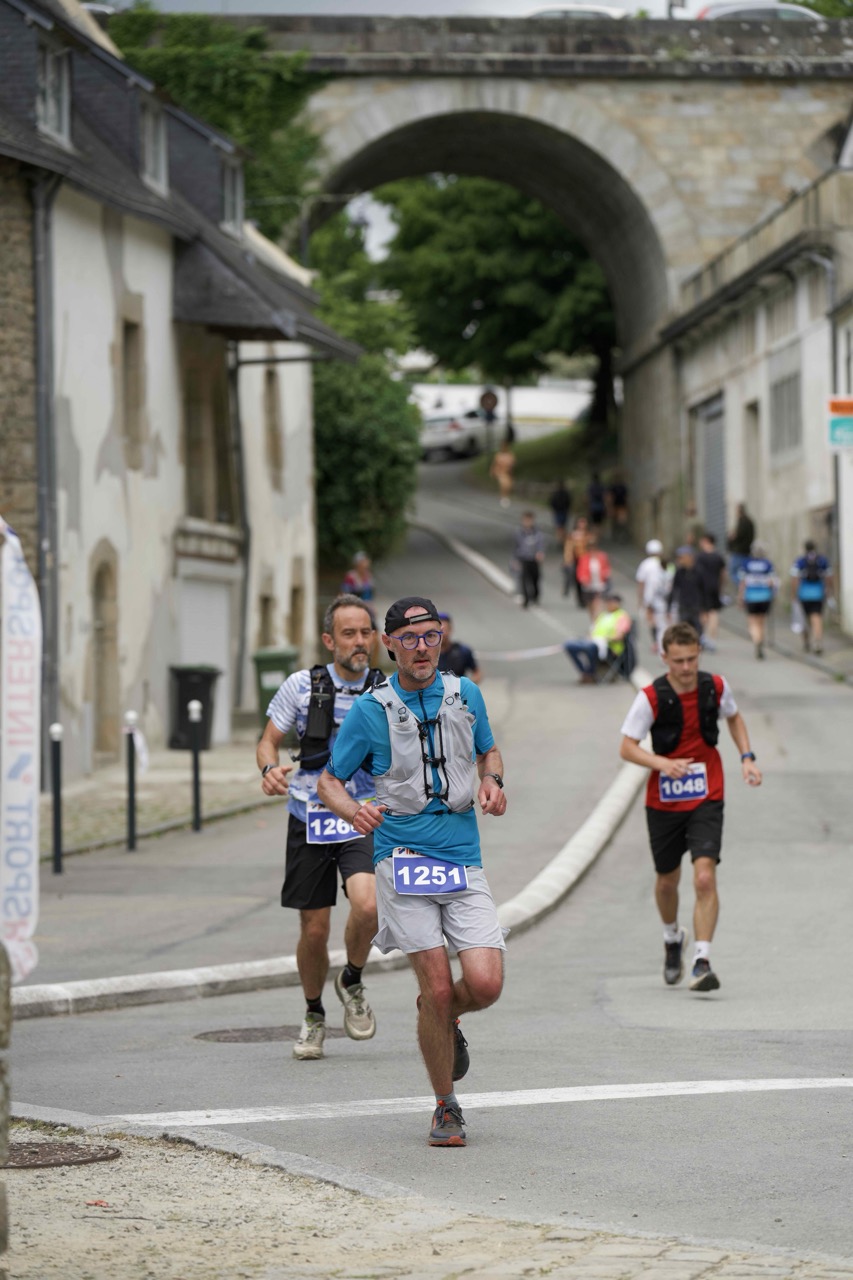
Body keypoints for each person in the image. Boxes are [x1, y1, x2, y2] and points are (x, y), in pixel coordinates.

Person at [317, 597, 508, 1149]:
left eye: (431, 637)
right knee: (439, 984)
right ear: (390, 644)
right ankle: (446, 1104)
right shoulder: (370, 711)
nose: (422, 648)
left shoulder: (465, 694)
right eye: (409, 638)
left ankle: (438, 1014)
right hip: (401, 861)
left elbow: (490, 752)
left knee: (485, 984)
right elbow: (329, 781)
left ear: (441, 639)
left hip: (462, 858)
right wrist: (354, 812)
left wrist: (493, 782)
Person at [257, 595, 383, 1062]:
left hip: (362, 814)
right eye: (349, 634)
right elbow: (268, 741)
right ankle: (313, 1014)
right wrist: (268, 769)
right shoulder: (301, 686)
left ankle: (351, 978)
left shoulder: (385, 689)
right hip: (308, 815)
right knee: (314, 930)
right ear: (330, 640)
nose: (359, 642)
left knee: (368, 906)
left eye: (366, 632)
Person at [619, 621, 762, 993]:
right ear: (664, 657)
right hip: (664, 800)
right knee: (667, 881)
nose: (686, 668)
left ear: (699, 654)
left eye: (692, 659)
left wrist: (747, 757)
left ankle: (702, 960)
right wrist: (662, 764)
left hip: (707, 793)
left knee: (704, 877)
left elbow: (734, 717)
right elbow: (627, 747)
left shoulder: (715, 687)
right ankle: (672, 939)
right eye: (678, 661)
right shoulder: (651, 697)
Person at [564, 591, 632, 684]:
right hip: (594, 642)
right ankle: (586, 672)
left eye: (612, 602)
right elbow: (593, 630)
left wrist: (604, 639)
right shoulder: (603, 615)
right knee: (570, 645)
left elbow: (619, 636)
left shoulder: (622, 616)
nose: (609, 604)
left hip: (610, 647)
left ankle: (590, 673)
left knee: (590, 648)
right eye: (608, 602)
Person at [790, 540, 834, 655]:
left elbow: (794, 579)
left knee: (804, 619)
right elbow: (829, 577)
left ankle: (806, 642)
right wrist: (829, 592)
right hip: (818, 594)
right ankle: (818, 641)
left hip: (803, 594)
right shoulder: (822, 560)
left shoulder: (800, 561)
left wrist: (794, 595)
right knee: (816, 617)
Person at [738, 541, 778, 660]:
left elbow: (742, 582)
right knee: (761, 622)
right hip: (765, 597)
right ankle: (760, 641)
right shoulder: (768, 564)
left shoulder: (746, 564)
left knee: (752, 622)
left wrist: (740, 597)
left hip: (751, 597)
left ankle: (757, 641)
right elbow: (772, 582)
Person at [635, 539, 669, 652]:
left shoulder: (645, 564)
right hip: (665, 597)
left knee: (652, 620)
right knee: (662, 620)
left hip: (650, 597)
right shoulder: (666, 563)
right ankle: (661, 641)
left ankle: (657, 641)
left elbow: (641, 582)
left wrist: (640, 599)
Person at [668, 545, 707, 638]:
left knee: (697, 632)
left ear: (690, 557)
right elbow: (674, 590)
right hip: (683, 606)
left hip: (696, 607)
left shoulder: (699, 571)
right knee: (683, 632)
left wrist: (705, 610)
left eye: (681, 557)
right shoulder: (679, 572)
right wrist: (669, 607)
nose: (679, 560)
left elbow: (705, 591)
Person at [695, 532, 726, 649]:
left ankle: (702, 636)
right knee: (714, 613)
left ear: (705, 541)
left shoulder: (700, 556)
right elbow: (723, 574)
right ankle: (712, 639)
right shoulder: (718, 556)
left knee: (703, 612)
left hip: (702, 588)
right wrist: (721, 586)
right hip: (715, 587)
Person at [512, 510, 546, 609]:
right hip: (523, 558)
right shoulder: (519, 533)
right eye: (526, 520)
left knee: (535, 578)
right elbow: (515, 547)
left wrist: (540, 553)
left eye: (529, 520)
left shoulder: (537, 533)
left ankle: (535, 596)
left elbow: (541, 544)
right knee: (524, 579)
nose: (527, 522)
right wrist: (515, 559)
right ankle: (526, 599)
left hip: (534, 559)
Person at [438, 612, 482, 683]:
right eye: (439, 631)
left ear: (450, 629)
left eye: (444, 630)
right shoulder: (428, 652)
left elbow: (477, 673)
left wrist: (466, 685)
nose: (442, 634)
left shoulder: (463, 651)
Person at [575, 532, 611, 619]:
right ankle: (593, 621)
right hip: (588, 585)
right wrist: (583, 578)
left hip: (599, 584)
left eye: (593, 547)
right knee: (590, 606)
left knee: (597, 604)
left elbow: (607, 567)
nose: (592, 550)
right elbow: (580, 571)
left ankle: (597, 621)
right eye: (590, 547)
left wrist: (606, 573)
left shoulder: (602, 557)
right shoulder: (584, 558)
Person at [727, 502, 756, 586]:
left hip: (739, 552)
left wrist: (732, 536)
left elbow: (739, 535)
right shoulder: (750, 521)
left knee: (733, 573)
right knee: (746, 573)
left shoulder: (742, 521)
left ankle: (743, 588)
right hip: (747, 552)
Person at [563, 516, 590, 605]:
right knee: (577, 579)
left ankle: (586, 597)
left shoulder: (588, 535)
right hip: (577, 559)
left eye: (584, 522)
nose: (582, 525)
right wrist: (567, 558)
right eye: (580, 522)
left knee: (586, 579)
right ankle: (579, 598)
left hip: (586, 559)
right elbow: (568, 547)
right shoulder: (573, 535)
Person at [489, 441, 515, 509]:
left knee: (508, 485)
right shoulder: (498, 455)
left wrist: (511, 471)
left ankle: (506, 497)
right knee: (503, 483)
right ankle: (503, 498)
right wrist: (492, 472)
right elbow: (494, 464)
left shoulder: (510, 455)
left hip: (507, 472)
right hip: (500, 472)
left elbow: (512, 464)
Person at [548, 479, 572, 543]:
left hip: (557, 511)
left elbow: (552, 502)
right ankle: (562, 539)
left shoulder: (555, 493)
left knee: (558, 526)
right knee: (563, 526)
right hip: (564, 511)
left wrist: (553, 509)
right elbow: (569, 502)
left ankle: (559, 539)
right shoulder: (566, 493)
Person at [607, 475, 629, 541]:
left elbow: (625, 497)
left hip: (620, 506)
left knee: (621, 521)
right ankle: (616, 535)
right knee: (617, 521)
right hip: (617, 506)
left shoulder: (621, 487)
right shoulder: (614, 487)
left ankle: (620, 535)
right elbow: (610, 497)